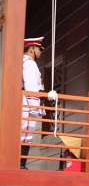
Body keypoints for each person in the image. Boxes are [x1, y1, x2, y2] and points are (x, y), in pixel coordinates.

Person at [21, 37, 57, 168]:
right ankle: (21, 165)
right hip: (27, 104)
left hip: (23, 103)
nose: (41, 51)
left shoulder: (21, 63)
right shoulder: (30, 64)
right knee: (26, 134)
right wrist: (34, 108)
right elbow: (31, 87)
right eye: (39, 49)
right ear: (31, 49)